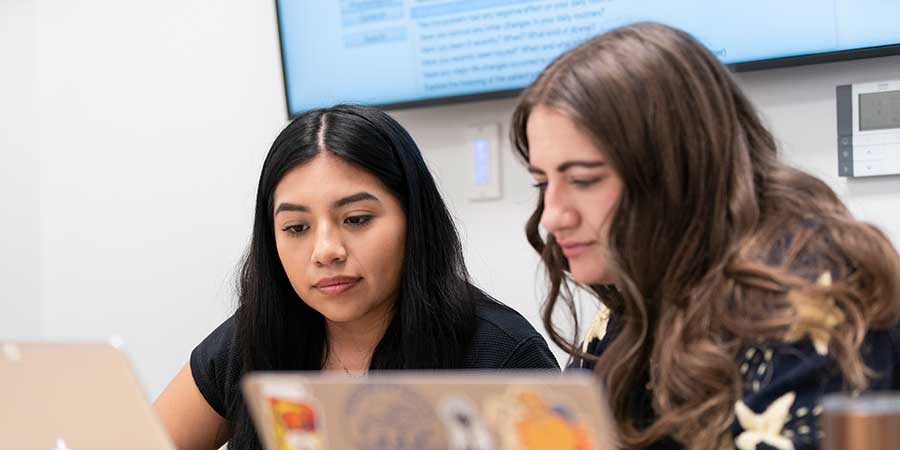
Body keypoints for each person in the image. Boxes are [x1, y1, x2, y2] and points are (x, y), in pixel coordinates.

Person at [511, 22, 900, 450]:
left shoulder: (806, 293)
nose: (552, 216)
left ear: (677, 170)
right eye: (542, 183)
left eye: (583, 180)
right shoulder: (636, 295)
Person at [154, 104, 558, 450]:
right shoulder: (253, 335)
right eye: (296, 228)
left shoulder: (502, 356)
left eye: (356, 219)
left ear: (414, 220)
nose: (326, 250)